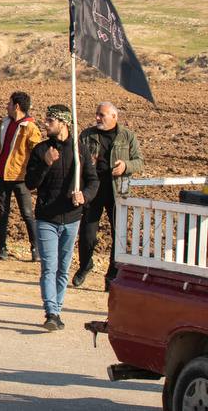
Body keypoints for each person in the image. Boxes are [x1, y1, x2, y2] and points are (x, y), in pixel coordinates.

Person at [24, 105, 99, 331]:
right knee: (49, 267)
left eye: (50, 121)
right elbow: (30, 183)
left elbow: (93, 181)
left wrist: (84, 196)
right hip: (47, 218)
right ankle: (51, 312)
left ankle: (57, 308)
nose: (45, 124)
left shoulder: (80, 151)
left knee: (63, 269)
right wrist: (45, 164)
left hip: (72, 218)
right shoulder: (41, 150)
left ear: (64, 123)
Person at [75, 101, 142, 290]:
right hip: (93, 190)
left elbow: (139, 161)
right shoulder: (87, 135)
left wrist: (126, 166)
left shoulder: (127, 136)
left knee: (118, 235)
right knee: (87, 233)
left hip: (117, 192)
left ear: (114, 117)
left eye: (101, 115)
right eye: (97, 114)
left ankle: (112, 275)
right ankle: (85, 265)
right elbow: (77, 160)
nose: (97, 118)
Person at [0, 91, 41, 261]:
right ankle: (2, 247)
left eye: (9, 103)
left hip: (20, 177)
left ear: (16, 106)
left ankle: (35, 248)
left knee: (27, 213)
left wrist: (35, 173)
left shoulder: (30, 128)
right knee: (2, 212)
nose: (7, 106)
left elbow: (37, 151)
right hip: (1, 174)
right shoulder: (6, 123)